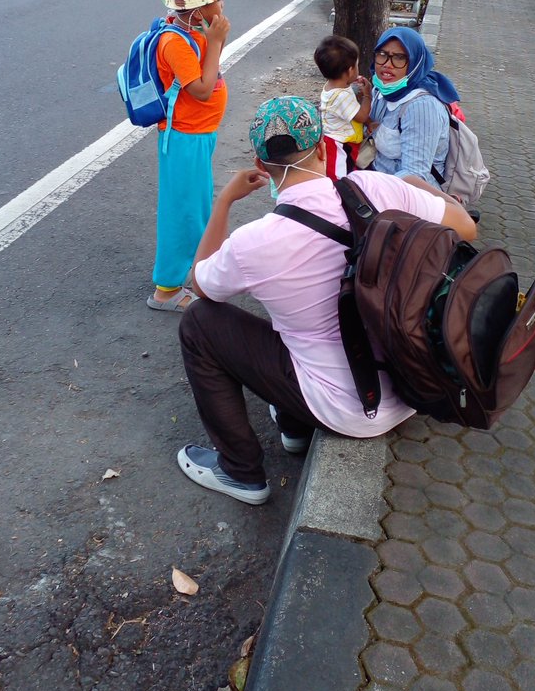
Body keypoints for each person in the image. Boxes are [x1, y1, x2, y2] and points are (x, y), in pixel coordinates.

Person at [176, 96, 476, 504]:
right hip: (411, 386)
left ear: (262, 167)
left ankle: (240, 471)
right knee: (299, 320)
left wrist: (224, 201)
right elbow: (465, 230)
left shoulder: (254, 242)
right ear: (322, 148)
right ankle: (294, 428)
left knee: (200, 324)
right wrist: (416, 187)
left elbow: (200, 283)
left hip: (346, 411)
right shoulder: (373, 187)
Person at [148, 0, 231, 312]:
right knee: (183, 210)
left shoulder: (191, 32)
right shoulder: (176, 42)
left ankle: (188, 272)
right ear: (197, 9)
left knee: (195, 204)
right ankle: (166, 290)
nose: (222, 3)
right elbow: (200, 88)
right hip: (183, 137)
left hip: (197, 134)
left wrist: (211, 41)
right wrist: (214, 43)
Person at [369, 27, 459, 185]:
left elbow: (415, 175)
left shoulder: (422, 107)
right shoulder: (383, 90)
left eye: (399, 57)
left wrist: (371, 189)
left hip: (407, 195)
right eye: (382, 54)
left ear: (414, 62)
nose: (387, 64)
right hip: (377, 177)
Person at [314, 34, 372, 178]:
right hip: (338, 144)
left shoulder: (333, 86)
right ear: (351, 70)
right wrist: (367, 95)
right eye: (357, 65)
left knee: (348, 169)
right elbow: (362, 116)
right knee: (339, 177)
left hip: (341, 140)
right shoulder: (341, 97)